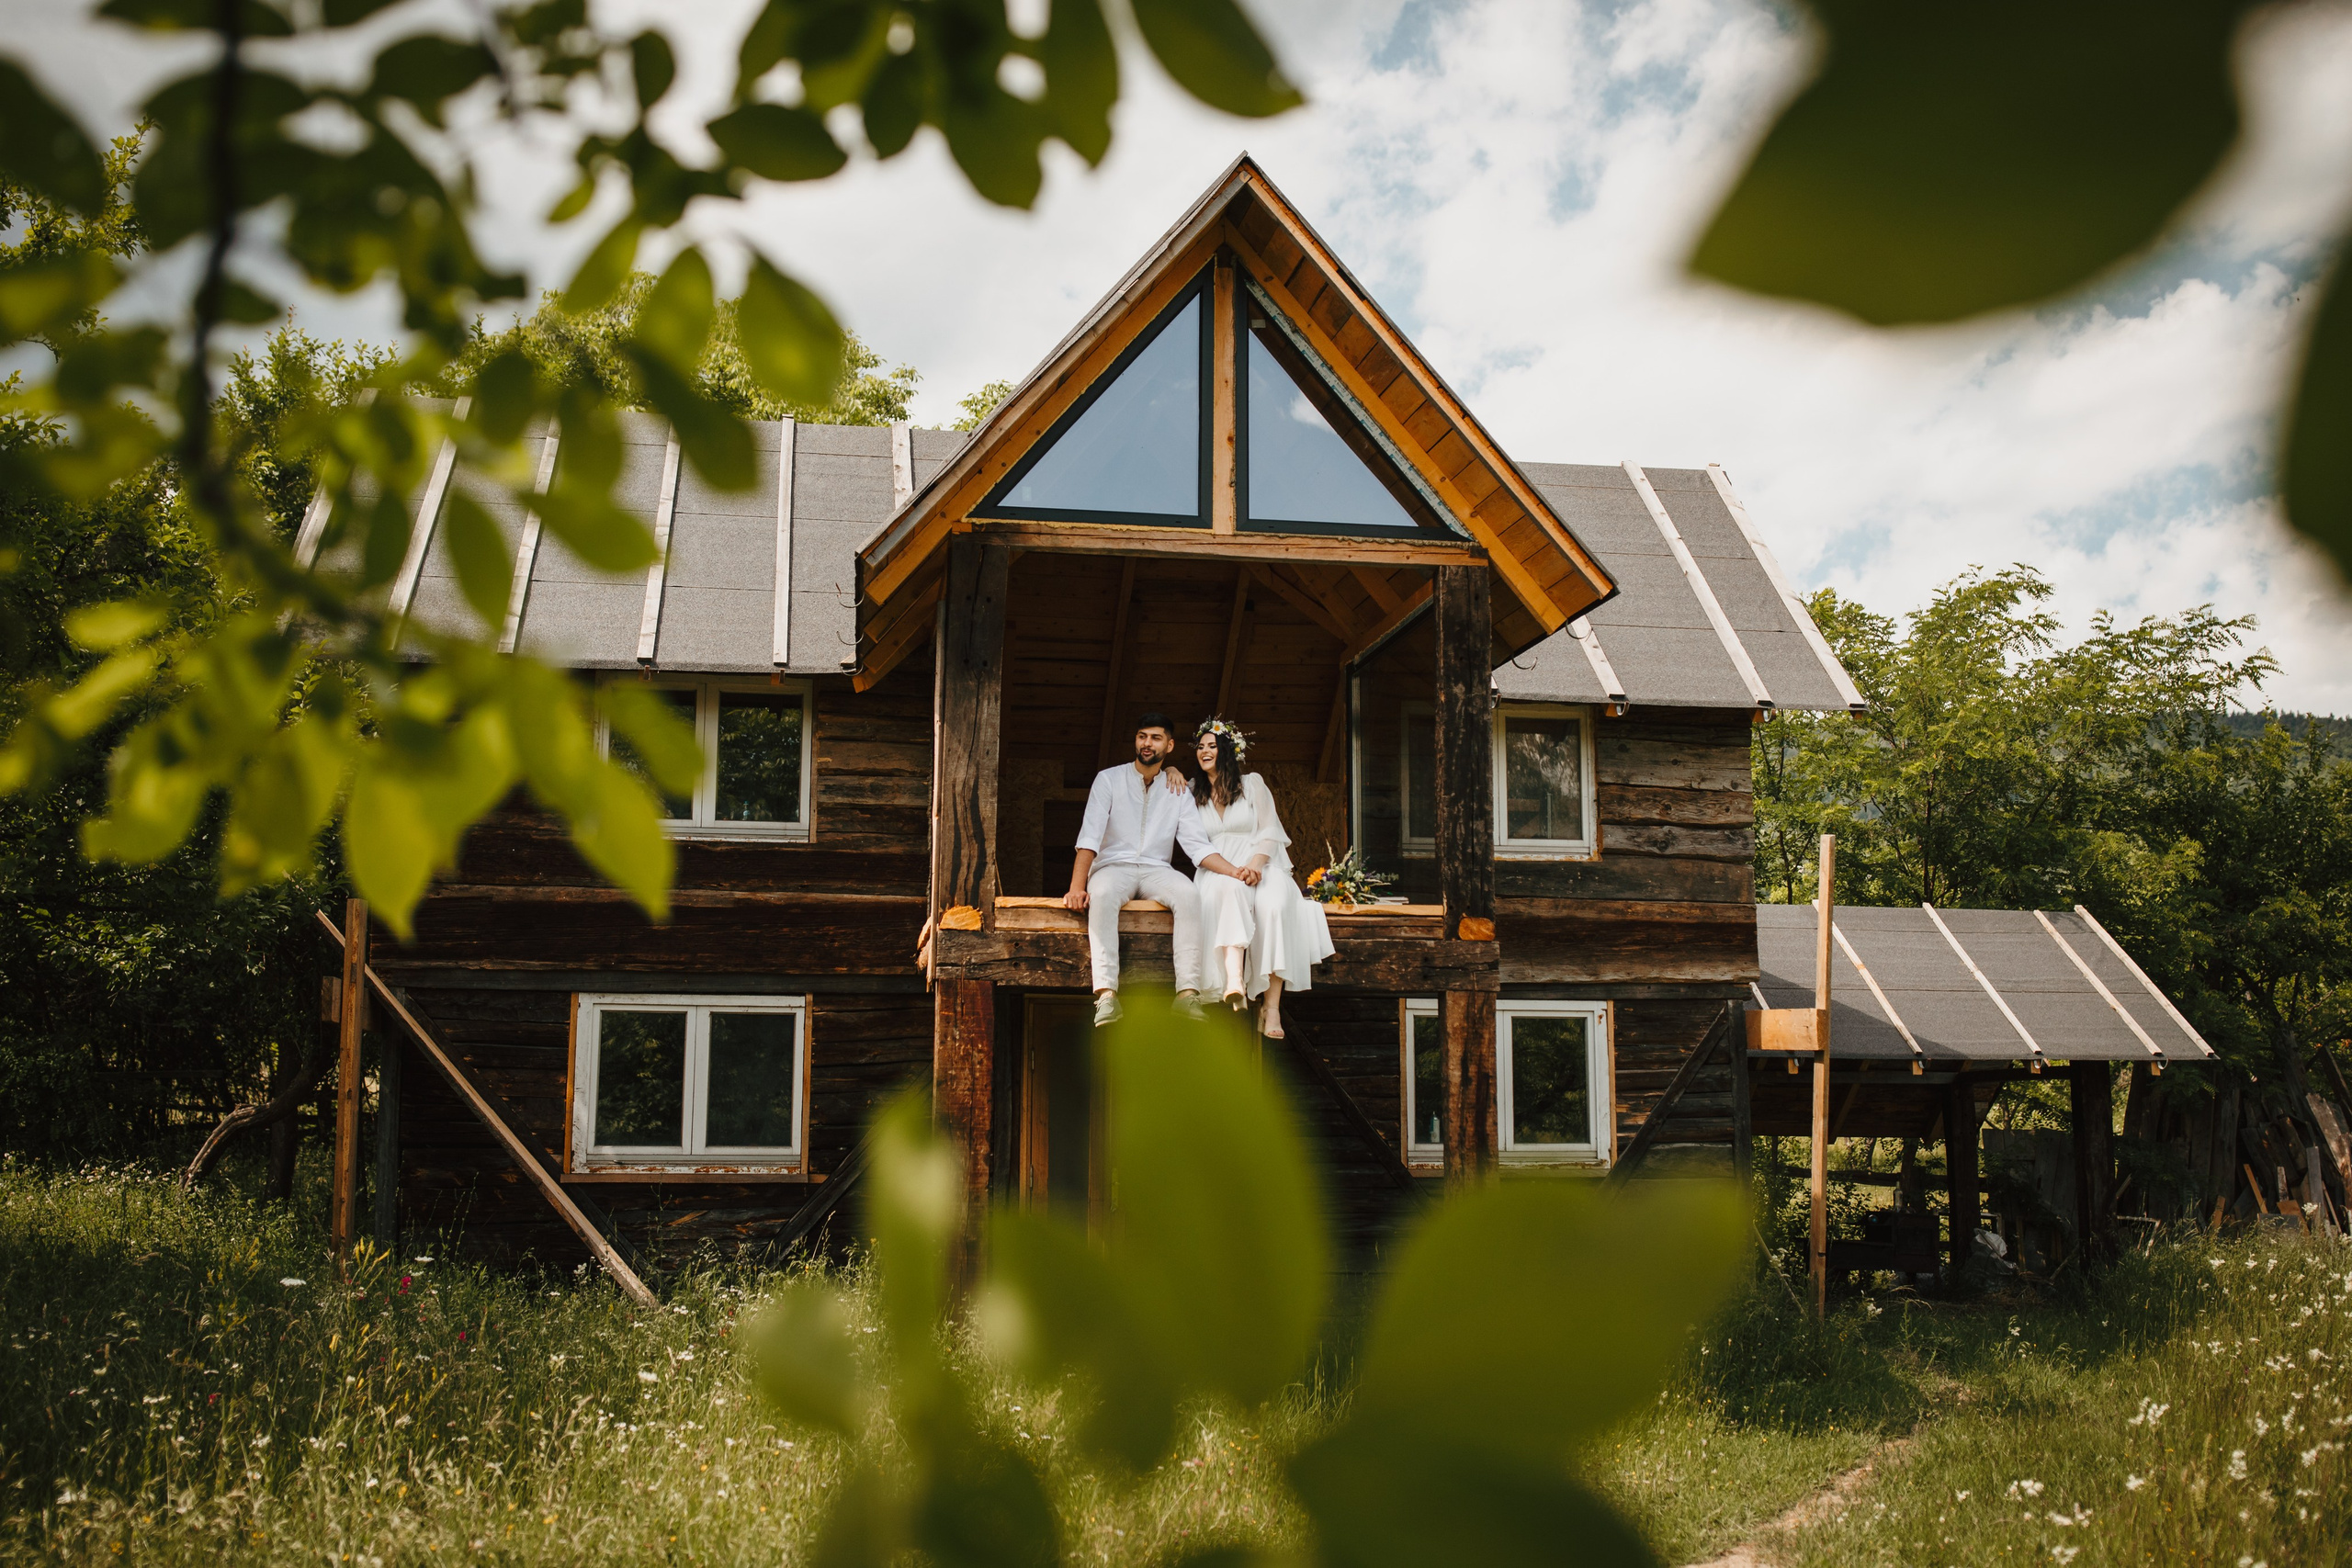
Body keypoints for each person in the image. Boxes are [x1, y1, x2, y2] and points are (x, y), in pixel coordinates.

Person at [1064, 713, 1254, 1028]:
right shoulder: (1109, 779)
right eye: (1142, 736)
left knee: (1189, 893)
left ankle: (1186, 994)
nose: (1147, 743)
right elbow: (1089, 836)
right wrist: (1076, 886)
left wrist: (1235, 871)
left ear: (1170, 744)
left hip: (1156, 868)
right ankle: (1107, 994)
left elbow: (1197, 846)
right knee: (1103, 894)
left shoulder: (1176, 788)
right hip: (1114, 866)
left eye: (1155, 738)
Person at [1181, 717, 1335, 1040]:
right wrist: (1170, 771)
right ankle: (1234, 978)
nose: (1204, 751)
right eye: (1200, 746)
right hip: (1218, 868)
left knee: (1275, 906)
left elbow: (1270, 830)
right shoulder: (1191, 791)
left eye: (1212, 745)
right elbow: (1190, 838)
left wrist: (1255, 865)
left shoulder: (1252, 784)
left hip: (1261, 863)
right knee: (1227, 891)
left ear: (1227, 750)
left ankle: (1271, 1006)